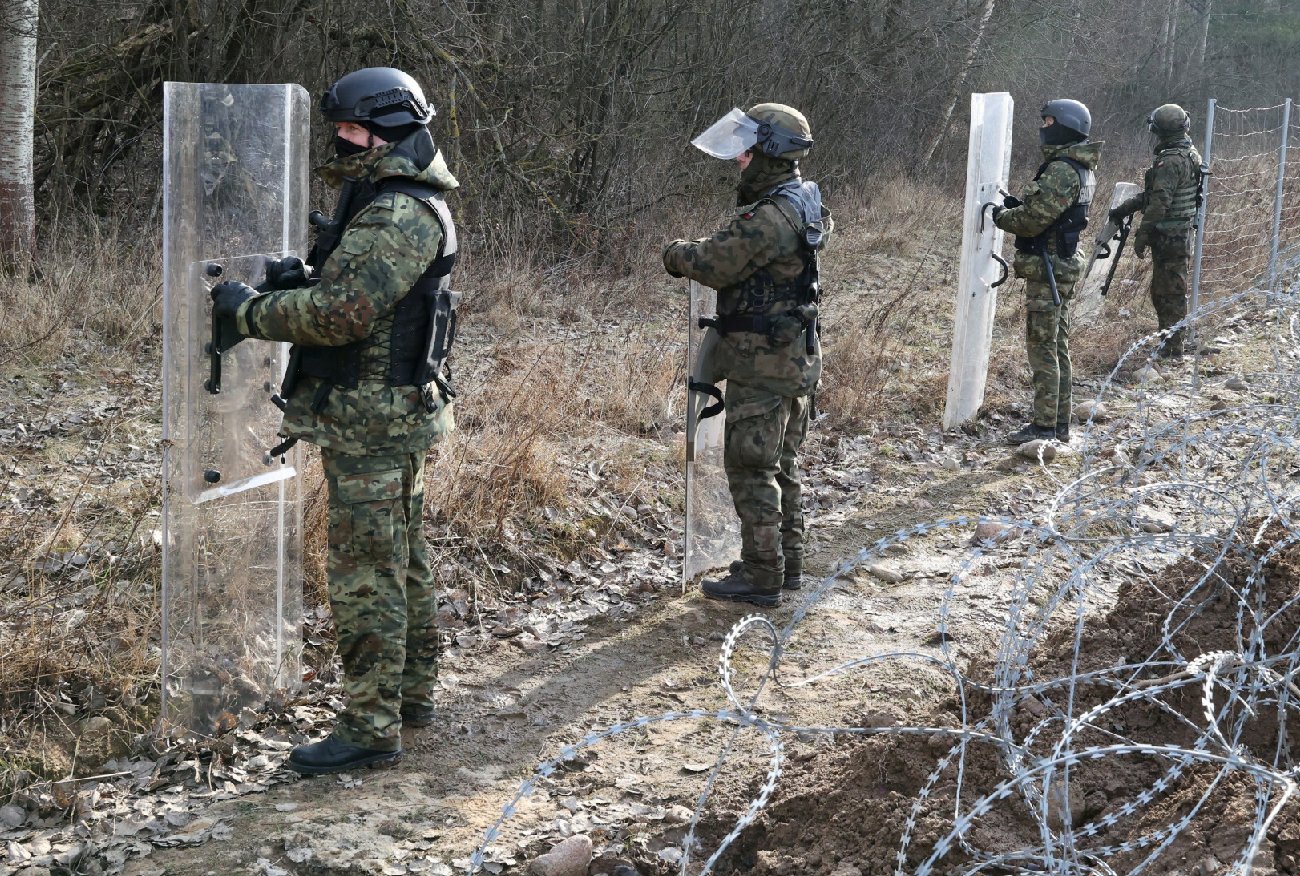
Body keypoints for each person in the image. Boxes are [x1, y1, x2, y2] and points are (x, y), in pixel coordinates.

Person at [209, 67, 459, 775]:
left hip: (373, 422)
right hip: (387, 415)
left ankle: (371, 727)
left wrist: (248, 313)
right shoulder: (391, 200)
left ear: (385, 131)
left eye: (351, 130)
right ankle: (409, 697)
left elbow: (340, 316)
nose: (342, 142)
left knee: (366, 574)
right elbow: (353, 295)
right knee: (402, 559)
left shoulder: (400, 212)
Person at [663, 103, 831, 607]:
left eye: (749, 150)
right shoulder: (804, 200)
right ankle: (786, 562)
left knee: (751, 466)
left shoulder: (773, 216)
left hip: (763, 362)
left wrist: (674, 251)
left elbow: (714, 263)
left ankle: (762, 575)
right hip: (793, 357)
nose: (740, 159)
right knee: (783, 463)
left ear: (770, 152)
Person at [993, 99, 1100, 445]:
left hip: (1050, 268)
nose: (1043, 126)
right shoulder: (1078, 166)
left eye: (1049, 121)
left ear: (1064, 125)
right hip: (1060, 265)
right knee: (1058, 346)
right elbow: (1049, 213)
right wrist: (1018, 207)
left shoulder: (1062, 169)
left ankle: (1044, 426)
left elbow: (1032, 221)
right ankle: (1059, 424)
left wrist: (1000, 217)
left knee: (1043, 349)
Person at [1109, 103, 1203, 359]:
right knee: (1166, 289)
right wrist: (1125, 208)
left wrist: (1142, 235)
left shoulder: (1171, 160)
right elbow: (1154, 195)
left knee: (1169, 292)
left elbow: (1160, 202)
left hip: (1171, 235)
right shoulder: (1187, 152)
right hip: (1177, 232)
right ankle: (1170, 343)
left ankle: (1172, 349)